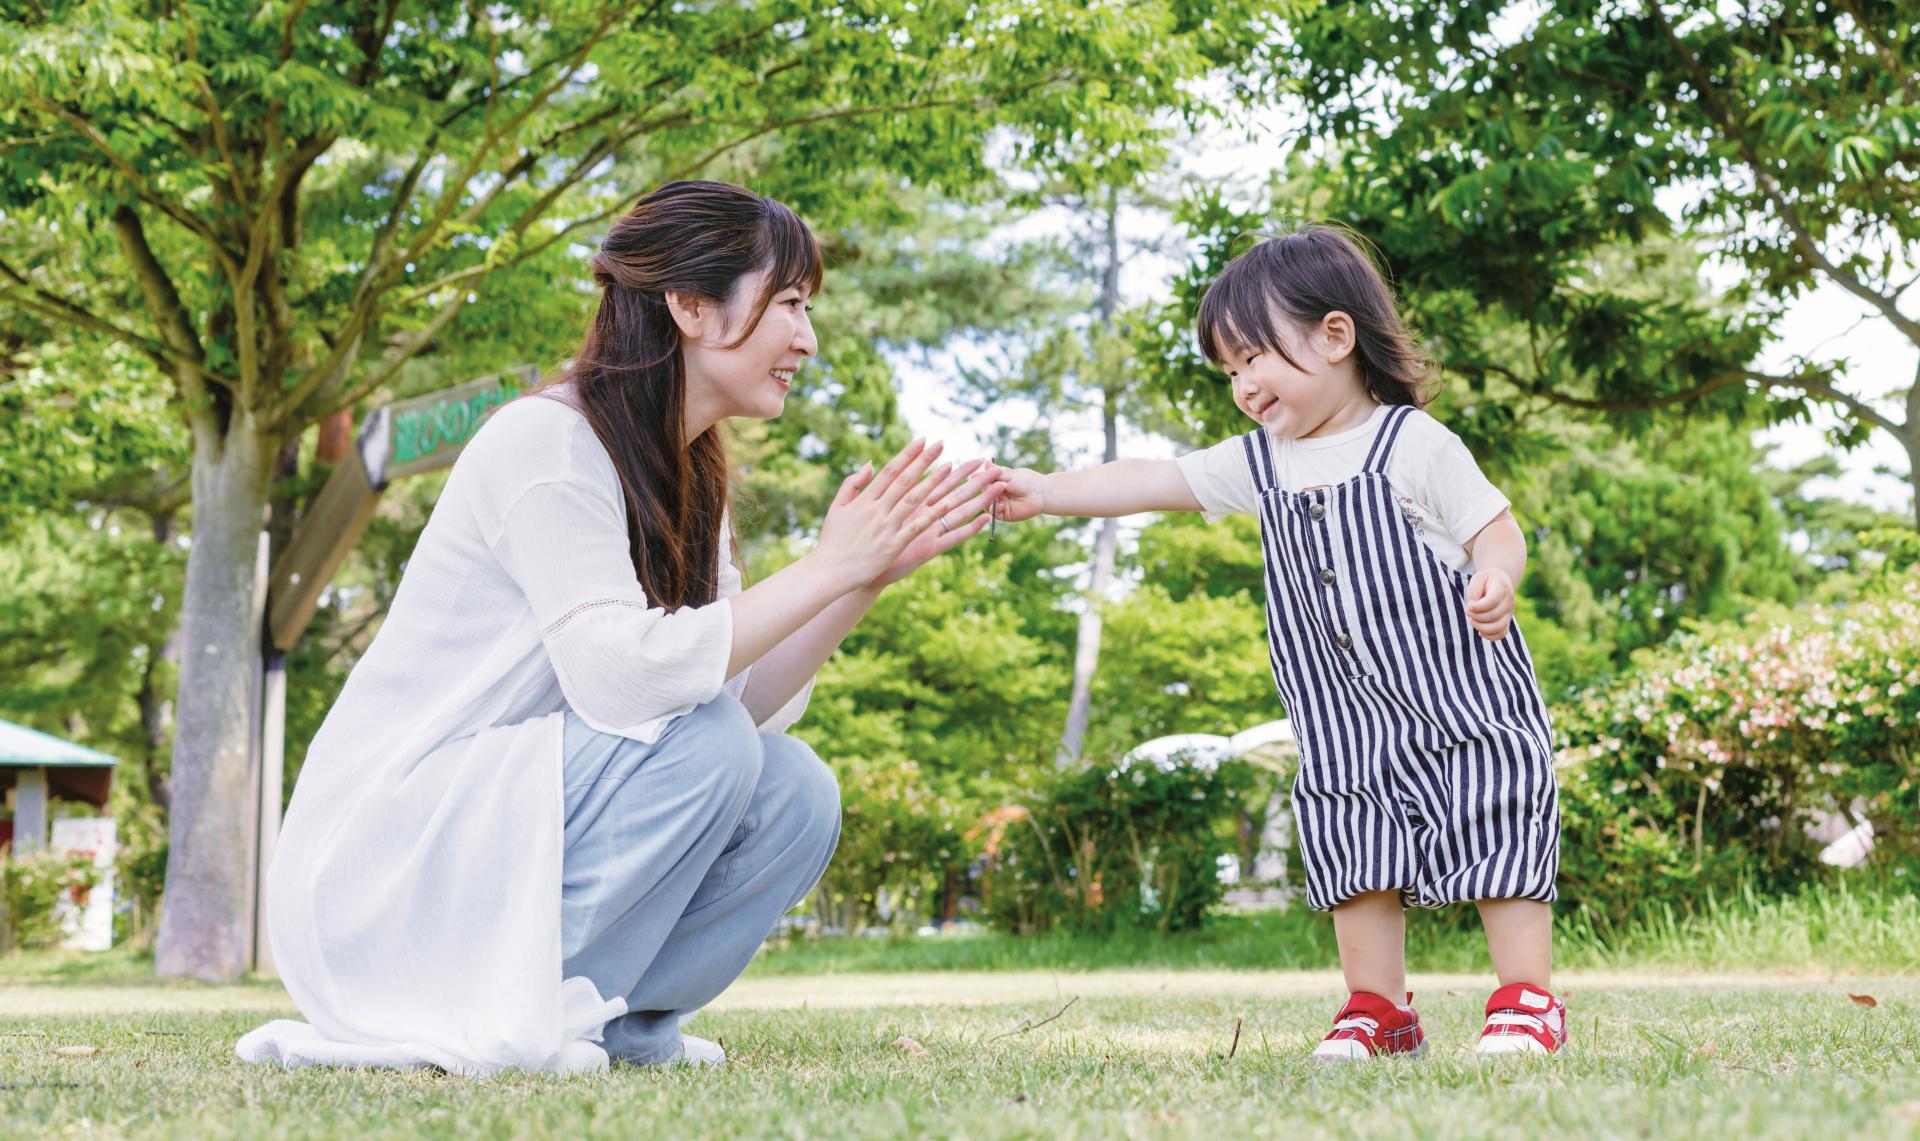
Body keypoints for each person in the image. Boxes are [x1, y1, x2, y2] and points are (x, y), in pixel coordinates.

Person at [237, 180, 1007, 1075]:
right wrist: (826, 565)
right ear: (688, 304)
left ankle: (618, 1023)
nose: (808, 336)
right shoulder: (548, 442)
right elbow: (624, 683)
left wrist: (858, 582)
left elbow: (738, 702)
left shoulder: (687, 477)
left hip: (503, 820)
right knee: (711, 745)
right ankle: (512, 1007)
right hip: (386, 862)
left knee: (796, 791)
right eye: (790, 303)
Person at [994, 224, 1565, 1059]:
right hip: (1341, 713)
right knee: (1353, 834)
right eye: (1228, 370)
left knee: (1495, 811)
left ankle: (1526, 998)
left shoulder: (1411, 443)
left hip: (1458, 693)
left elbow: (1496, 525)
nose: (1242, 384)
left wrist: (1496, 575)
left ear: (1337, 335)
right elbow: (1154, 478)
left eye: (1253, 357)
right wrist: (1047, 492)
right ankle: (1378, 1008)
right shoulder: (1263, 462)